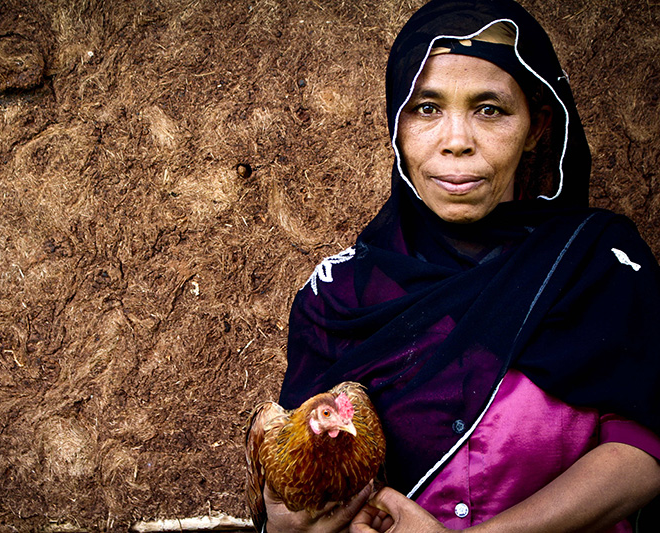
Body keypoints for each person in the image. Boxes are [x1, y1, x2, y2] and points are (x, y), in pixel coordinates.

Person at [263, 0, 660, 531]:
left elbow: (643, 446)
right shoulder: (342, 294)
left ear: (537, 126)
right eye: (426, 108)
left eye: (489, 109)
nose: (456, 141)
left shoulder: (598, 263)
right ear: (396, 124)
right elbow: (298, 486)